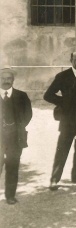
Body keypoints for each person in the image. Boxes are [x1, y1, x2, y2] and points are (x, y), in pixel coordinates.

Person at [44, 51, 76, 190]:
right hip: (68, 120)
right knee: (62, 149)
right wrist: (64, 102)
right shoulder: (62, 76)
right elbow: (47, 95)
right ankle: (54, 179)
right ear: (71, 60)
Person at [0, 67, 32, 205]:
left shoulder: (21, 96)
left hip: (15, 137)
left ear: (13, 80)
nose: (6, 81)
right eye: (3, 78)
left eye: (9, 78)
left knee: (13, 166)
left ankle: (10, 196)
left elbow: (28, 114)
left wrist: (18, 126)